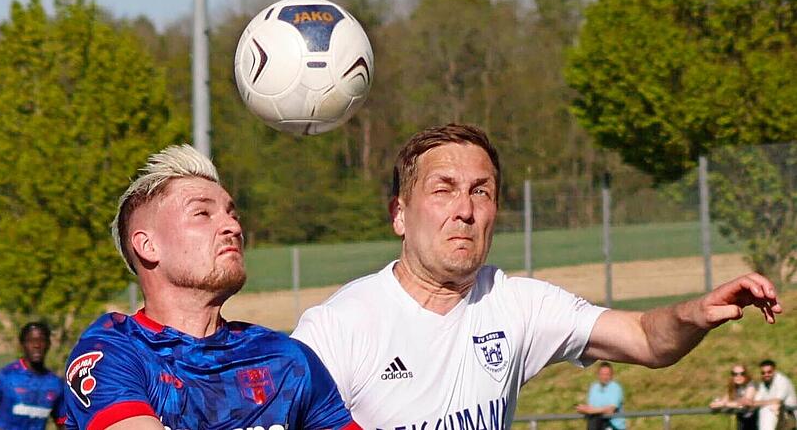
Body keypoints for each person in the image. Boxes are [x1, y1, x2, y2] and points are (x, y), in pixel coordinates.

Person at [291, 123, 783, 429]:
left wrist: (695, 313)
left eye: (481, 192)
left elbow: (645, 340)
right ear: (399, 213)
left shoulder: (517, 305)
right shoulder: (337, 328)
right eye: (444, 189)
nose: (464, 209)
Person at [63, 145, 357, 430]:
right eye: (202, 214)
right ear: (148, 246)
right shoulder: (114, 354)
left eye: (233, 214)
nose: (233, 227)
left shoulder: (286, 358)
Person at [0, 322, 65, 430]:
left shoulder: (56, 384)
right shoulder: (4, 377)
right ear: (22, 345)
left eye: (41, 340)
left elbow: (63, 424)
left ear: (49, 344)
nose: (36, 345)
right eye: (31, 341)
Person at [576, 362, 625, 430]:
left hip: (613, 426)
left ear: (612, 375)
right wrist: (584, 409)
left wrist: (590, 410)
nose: (604, 377)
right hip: (597, 424)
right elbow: (591, 407)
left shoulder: (615, 387)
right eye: (602, 374)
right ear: (598, 374)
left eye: (607, 374)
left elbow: (611, 410)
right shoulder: (594, 387)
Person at [709, 364, 758, 430]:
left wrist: (724, 404)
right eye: (735, 374)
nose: (738, 376)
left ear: (746, 375)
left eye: (742, 373)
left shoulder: (751, 385)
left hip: (755, 420)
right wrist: (715, 404)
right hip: (742, 421)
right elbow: (724, 400)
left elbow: (745, 403)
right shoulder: (734, 387)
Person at [754, 359, 796, 430]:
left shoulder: (783, 381)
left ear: (774, 371)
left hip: (790, 414)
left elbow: (778, 401)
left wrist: (761, 403)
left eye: (769, 372)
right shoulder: (763, 384)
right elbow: (756, 401)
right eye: (763, 373)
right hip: (777, 415)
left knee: (769, 408)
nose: (766, 375)